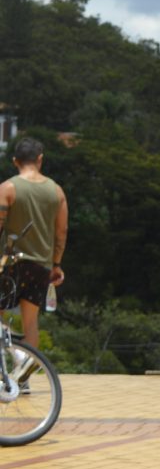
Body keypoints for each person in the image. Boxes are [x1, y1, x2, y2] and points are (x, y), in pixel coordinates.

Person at [0, 137, 68, 351]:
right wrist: (56, 264)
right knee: (30, 324)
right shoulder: (57, 191)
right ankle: (27, 367)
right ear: (40, 159)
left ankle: (9, 358)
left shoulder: (7, 188)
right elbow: (61, 231)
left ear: (15, 161)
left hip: (9, 263)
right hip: (40, 265)